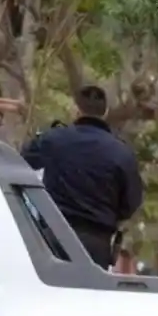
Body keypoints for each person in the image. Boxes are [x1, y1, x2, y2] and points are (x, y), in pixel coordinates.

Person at [21, 85, 144, 268]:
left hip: (54, 235)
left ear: (76, 110)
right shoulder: (122, 153)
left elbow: (22, 162)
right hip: (97, 242)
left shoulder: (54, 139)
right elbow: (132, 202)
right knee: (90, 287)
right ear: (105, 112)